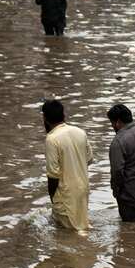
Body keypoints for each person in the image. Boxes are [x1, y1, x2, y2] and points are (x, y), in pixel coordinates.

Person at [41, 99, 93, 234]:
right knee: (82, 226)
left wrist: (53, 198)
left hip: (66, 194)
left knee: (70, 234)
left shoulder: (52, 139)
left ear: (45, 118)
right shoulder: (80, 132)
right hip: (83, 189)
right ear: (64, 116)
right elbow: (89, 158)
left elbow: (53, 174)